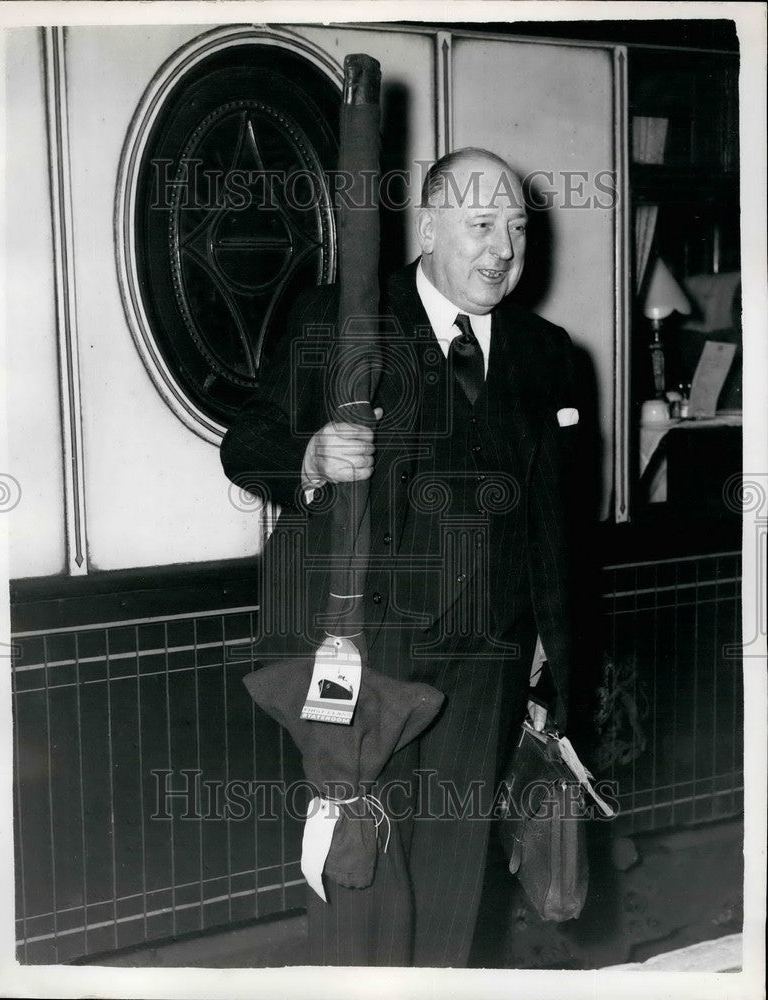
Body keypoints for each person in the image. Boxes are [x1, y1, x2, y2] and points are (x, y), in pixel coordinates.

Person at [220, 147, 580, 967]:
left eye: (518, 230)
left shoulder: (547, 350)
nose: (503, 250)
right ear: (426, 226)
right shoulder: (342, 319)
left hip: (486, 666)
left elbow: (558, 531)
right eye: (482, 225)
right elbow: (249, 439)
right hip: (367, 654)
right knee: (363, 879)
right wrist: (308, 457)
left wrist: (551, 666)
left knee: (455, 891)